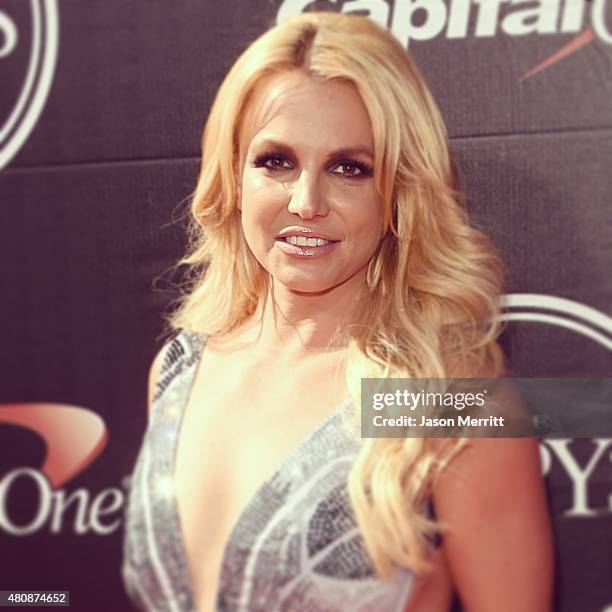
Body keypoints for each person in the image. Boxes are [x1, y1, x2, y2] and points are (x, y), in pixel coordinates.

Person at [121, 11, 554, 612]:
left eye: (349, 168)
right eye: (275, 161)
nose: (306, 202)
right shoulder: (181, 369)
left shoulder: (449, 398)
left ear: (399, 191)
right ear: (233, 174)